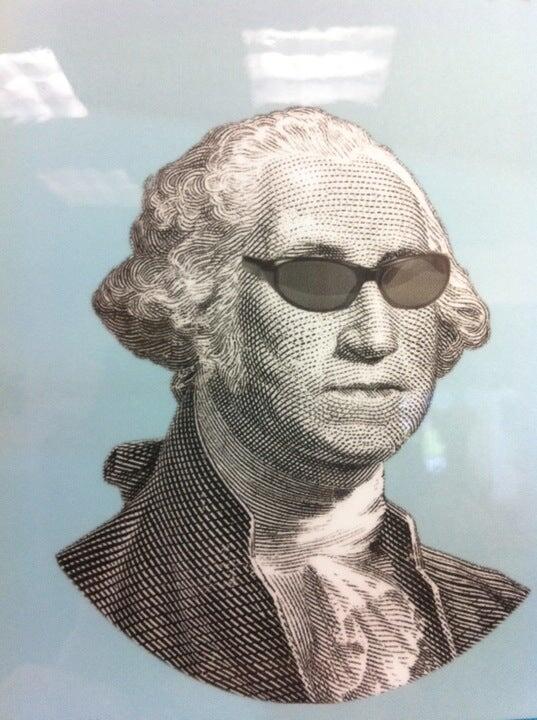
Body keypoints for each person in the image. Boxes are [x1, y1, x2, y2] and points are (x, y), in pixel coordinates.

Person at [57, 107, 528, 704]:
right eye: (314, 278)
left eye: (410, 278)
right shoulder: (92, 602)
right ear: (197, 307)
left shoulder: (491, 607)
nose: (375, 337)